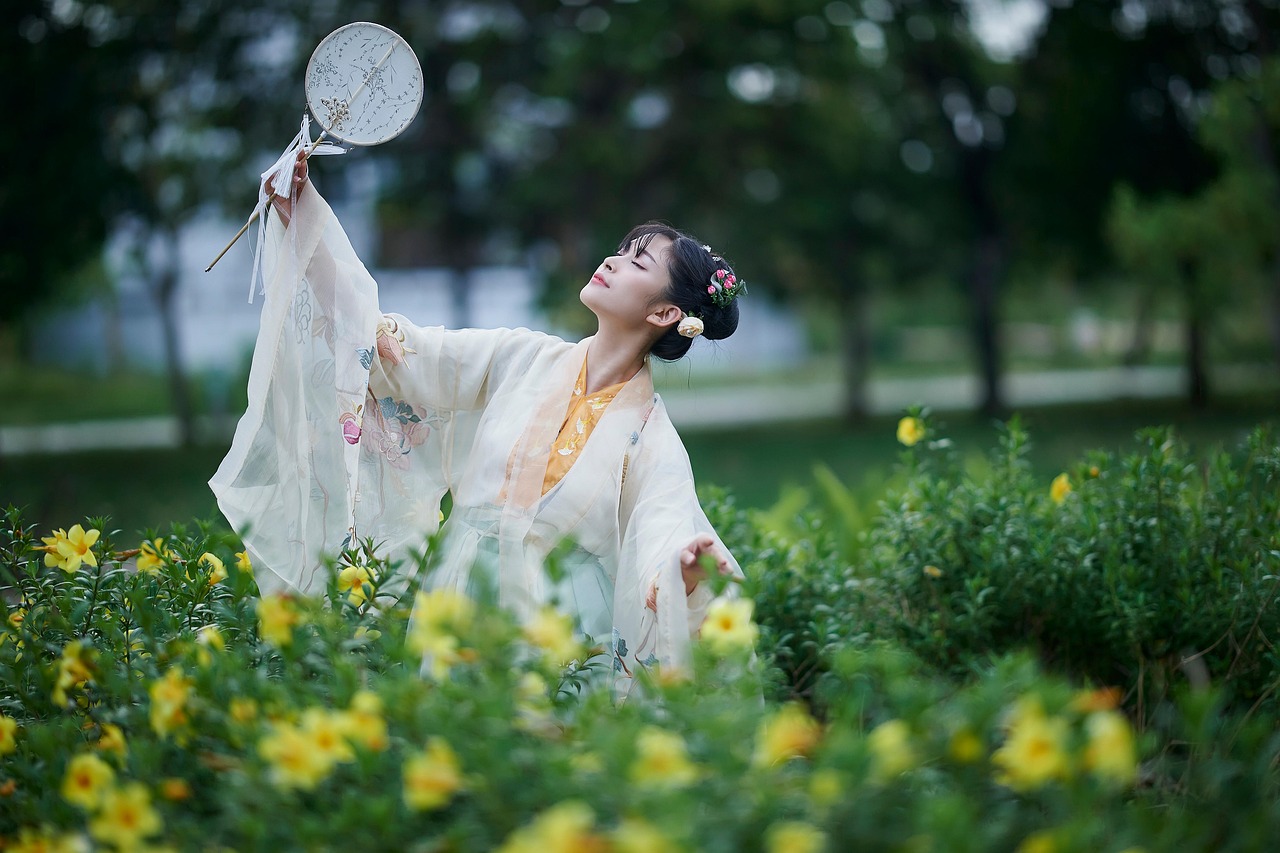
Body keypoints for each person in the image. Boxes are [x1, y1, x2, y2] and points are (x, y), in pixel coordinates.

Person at [210, 150, 746, 691]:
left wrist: (680, 570)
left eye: (637, 263)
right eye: (618, 251)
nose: (611, 261)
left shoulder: (652, 437)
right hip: (461, 593)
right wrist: (301, 216)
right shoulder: (519, 357)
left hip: (562, 623)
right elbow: (390, 347)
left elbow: (663, 527)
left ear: (664, 314)